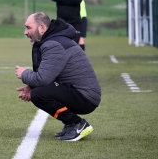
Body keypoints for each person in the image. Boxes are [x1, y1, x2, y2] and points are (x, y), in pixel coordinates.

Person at [15, 12, 101, 141]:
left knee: (39, 94)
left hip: (85, 97)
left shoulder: (53, 44)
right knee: (38, 91)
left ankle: (76, 124)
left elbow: (43, 79)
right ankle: (71, 124)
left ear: (42, 28)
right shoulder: (54, 40)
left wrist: (24, 74)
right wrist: (30, 86)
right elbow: (49, 72)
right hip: (79, 92)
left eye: (28, 27)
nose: (25, 32)